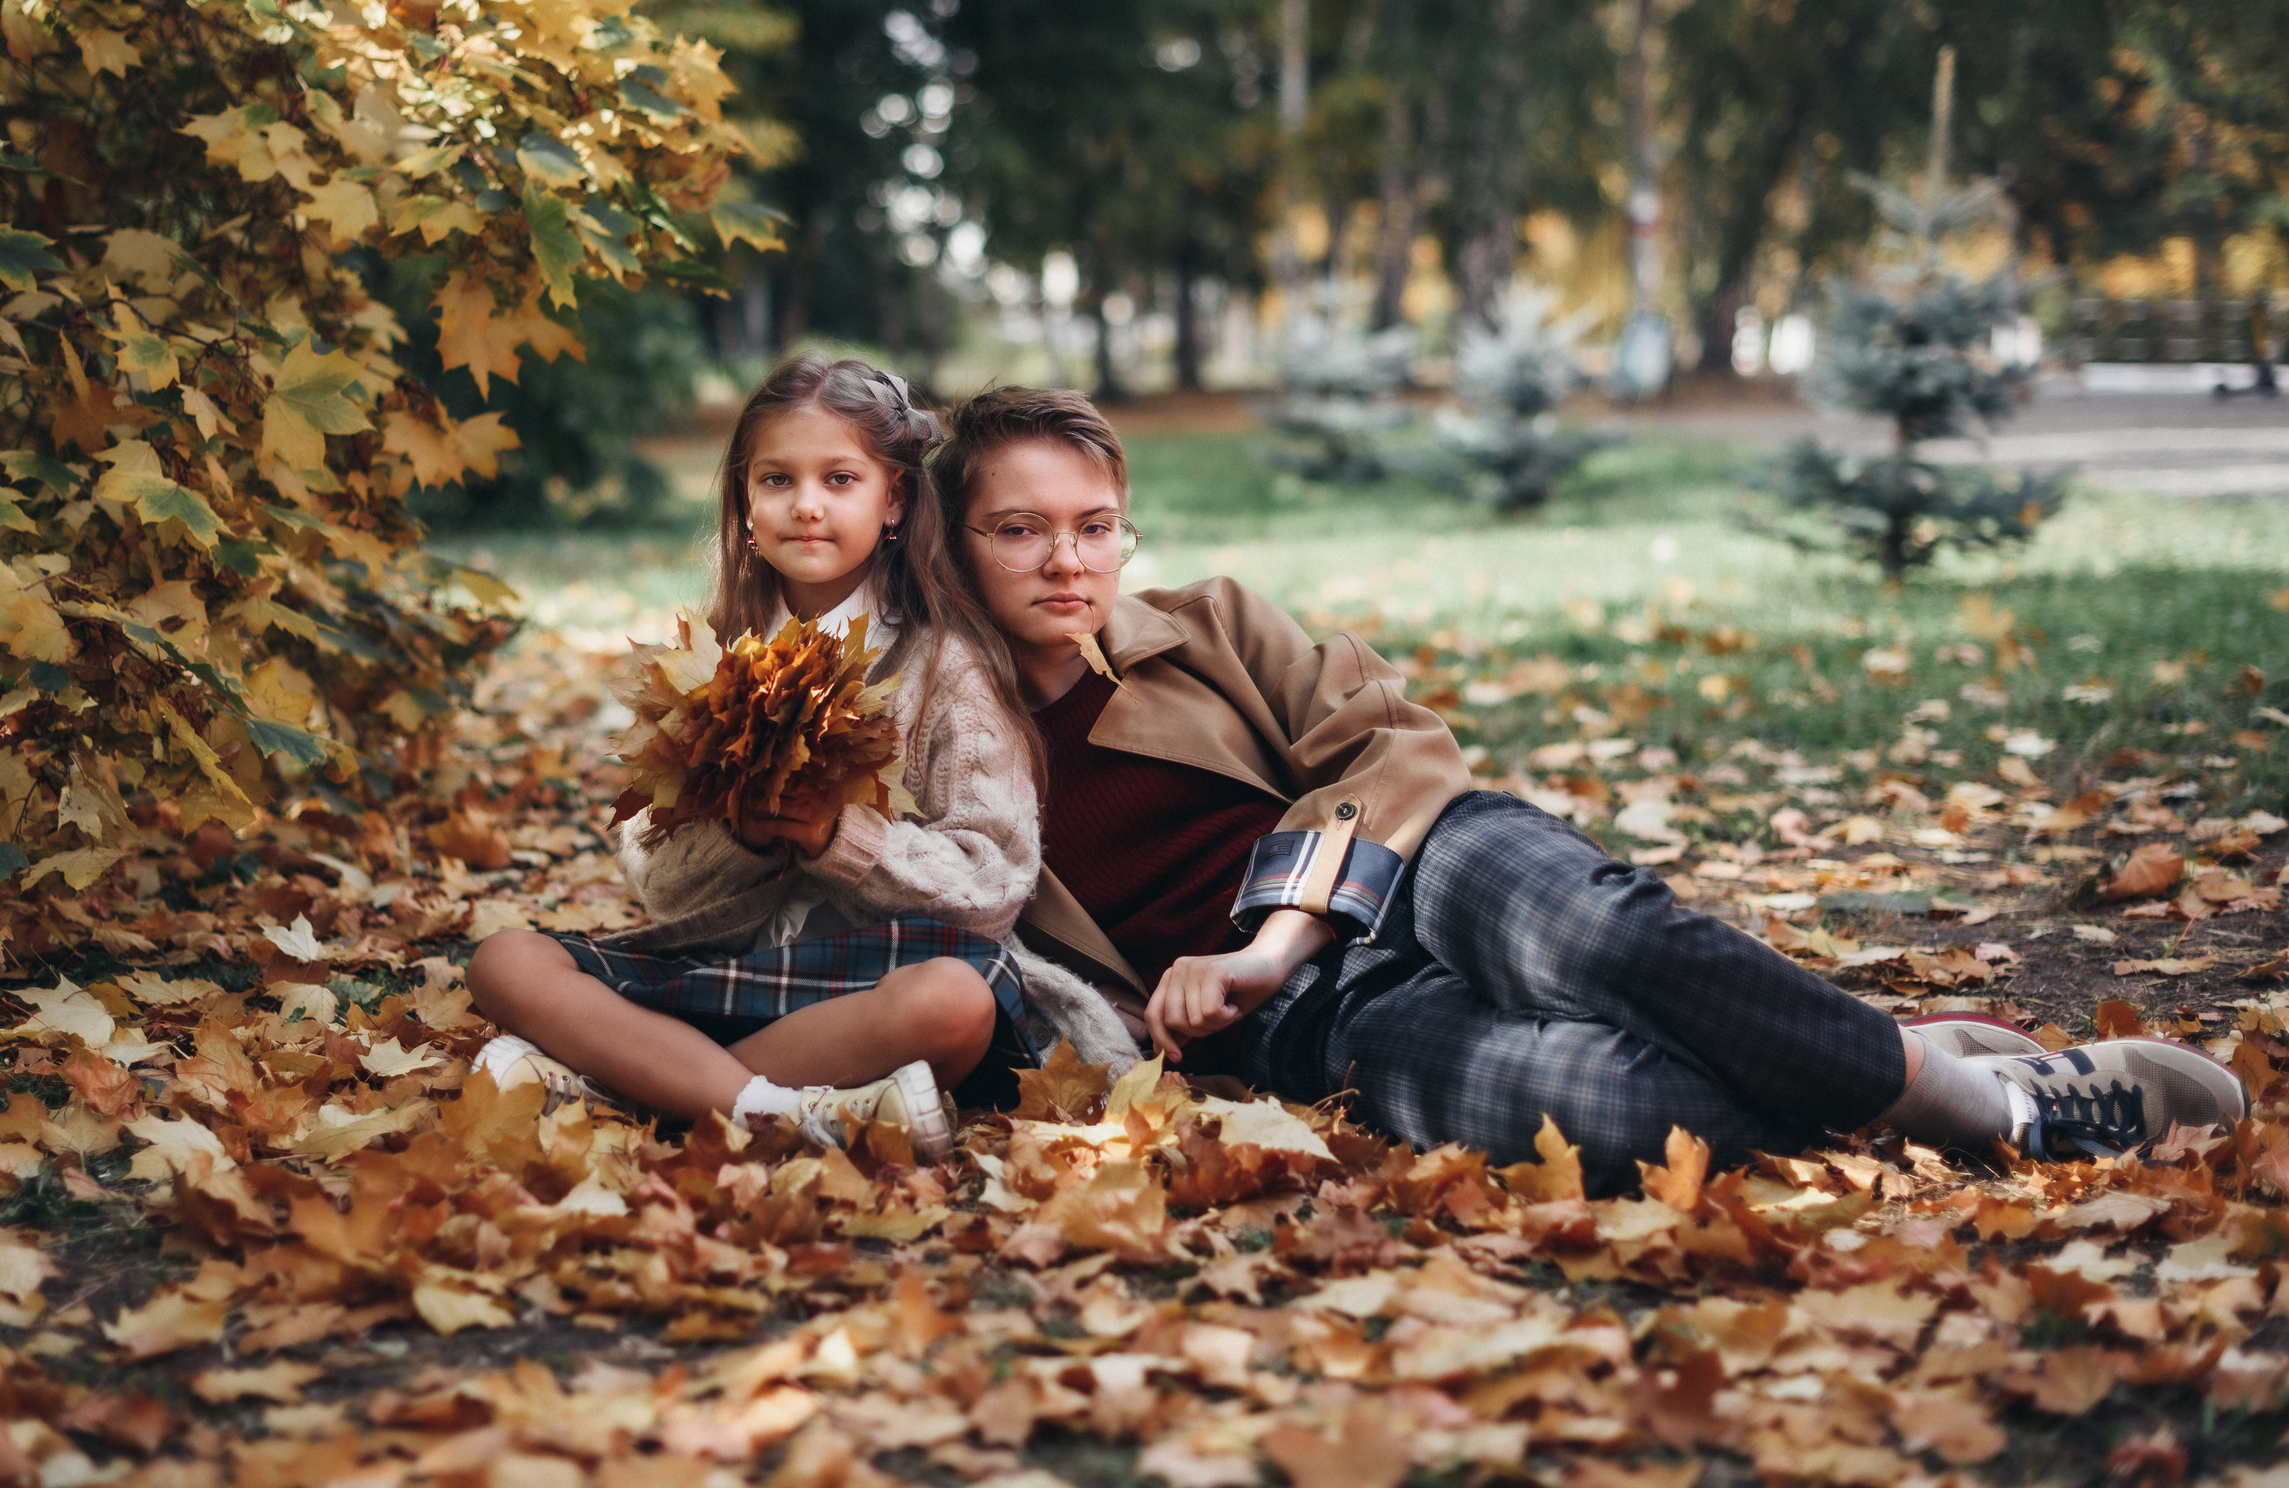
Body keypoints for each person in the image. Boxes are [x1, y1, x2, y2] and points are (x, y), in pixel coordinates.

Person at [931, 387, 2248, 1193]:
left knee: (1612, 938)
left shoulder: (1205, 622)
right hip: (1315, 1035)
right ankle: (1903, 1054)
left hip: (1423, 874)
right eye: (1020, 528)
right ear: (953, 542)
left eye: (1094, 523)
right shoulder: (938, 754)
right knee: (1631, 1116)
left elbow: (1396, 750)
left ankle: (2009, 1107)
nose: (1069, 560)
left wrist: (1276, 938)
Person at [466, 356, 1048, 1162]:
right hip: (728, 971)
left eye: (840, 479)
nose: (806, 505)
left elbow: (993, 883)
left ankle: (628, 1083)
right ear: (744, 501)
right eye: (777, 480)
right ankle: (776, 1109)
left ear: (895, 500)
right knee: (505, 961)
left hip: (871, 987)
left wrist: (835, 836)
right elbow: (658, 881)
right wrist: (738, 834)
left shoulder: (943, 665)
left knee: (954, 1002)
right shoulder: (712, 657)